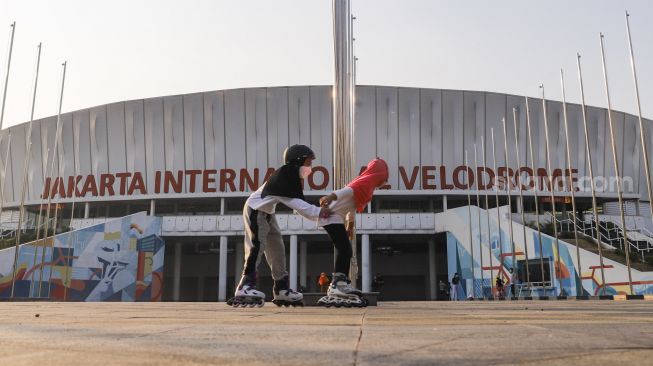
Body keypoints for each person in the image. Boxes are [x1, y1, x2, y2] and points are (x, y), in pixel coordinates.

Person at [228, 145, 330, 307]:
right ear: (298, 161)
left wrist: (318, 214)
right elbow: (296, 204)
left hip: (268, 212)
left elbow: (297, 203)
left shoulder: (291, 175)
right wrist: (320, 212)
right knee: (257, 247)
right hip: (255, 209)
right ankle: (245, 286)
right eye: (308, 162)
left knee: (277, 249)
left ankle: (281, 289)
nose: (310, 166)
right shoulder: (285, 175)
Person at [316, 158, 389, 307]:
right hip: (332, 216)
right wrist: (329, 197)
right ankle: (338, 284)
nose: (385, 182)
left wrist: (349, 226)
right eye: (385, 178)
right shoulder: (365, 183)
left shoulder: (368, 186)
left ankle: (339, 283)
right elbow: (346, 191)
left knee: (344, 249)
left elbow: (352, 207)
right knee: (345, 250)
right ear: (379, 175)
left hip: (337, 217)